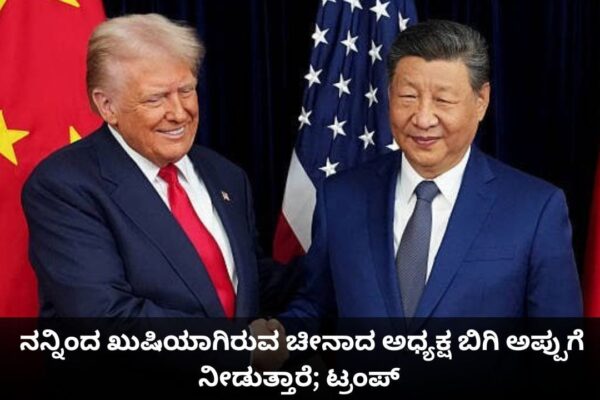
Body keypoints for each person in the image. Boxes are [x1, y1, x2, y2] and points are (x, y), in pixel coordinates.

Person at [282, 19, 583, 321]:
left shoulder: (536, 210)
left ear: (481, 101)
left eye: (443, 100)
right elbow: (314, 308)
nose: (423, 119)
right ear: (389, 94)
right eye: (408, 97)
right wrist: (278, 336)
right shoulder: (340, 198)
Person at [21, 14, 295, 324]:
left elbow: (251, 284)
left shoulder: (226, 175)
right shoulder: (65, 186)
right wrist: (239, 346)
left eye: (186, 90)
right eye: (155, 99)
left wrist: (330, 256)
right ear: (107, 106)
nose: (179, 113)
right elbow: (105, 317)